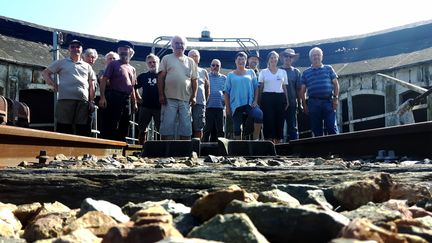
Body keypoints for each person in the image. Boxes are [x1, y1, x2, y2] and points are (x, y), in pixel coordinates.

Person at [42, 39, 96, 136]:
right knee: (63, 128)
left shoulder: (87, 66)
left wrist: (91, 101)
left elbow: (91, 85)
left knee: (82, 129)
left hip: (83, 102)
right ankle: (62, 150)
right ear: (69, 49)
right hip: (65, 100)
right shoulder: (61, 62)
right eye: (73, 47)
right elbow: (46, 73)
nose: (75, 49)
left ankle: (81, 150)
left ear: (81, 49)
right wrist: (54, 85)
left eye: (78, 47)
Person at [158, 35, 198, 140]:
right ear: (172, 45)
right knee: (167, 125)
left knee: (186, 126)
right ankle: (165, 149)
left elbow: (194, 80)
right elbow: (161, 77)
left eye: (182, 43)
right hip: (168, 98)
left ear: (185, 46)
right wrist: (161, 95)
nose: (179, 45)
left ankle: (184, 151)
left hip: (185, 99)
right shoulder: (166, 58)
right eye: (176, 43)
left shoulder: (191, 61)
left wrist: (194, 96)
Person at [98, 40, 138, 141]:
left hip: (127, 99)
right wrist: (102, 97)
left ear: (130, 52)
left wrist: (135, 102)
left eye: (125, 49)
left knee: (125, 123)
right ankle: (106, 146)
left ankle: (119, 147)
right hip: (114, 97)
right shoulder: (113, 64)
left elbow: (132, 87)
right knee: (111, 123)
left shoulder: (132, 69)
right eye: (120, 49)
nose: (122, 51)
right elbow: (104, 80)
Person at [300, 47, 340, 137]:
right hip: (313, 103)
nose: (316, 57)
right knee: (316, 129)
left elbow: (336, 84)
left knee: (331, 127)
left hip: (328, 101)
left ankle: (336, 149)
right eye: (314, 55)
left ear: (322, 57)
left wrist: (335, 98)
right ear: (310, 58)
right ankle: (321, 150)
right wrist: (304, 105)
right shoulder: (305, 73)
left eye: (318, 55)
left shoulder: (329, 68)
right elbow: (302, 91)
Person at [224, 51, 263, 140]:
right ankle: (239, 147)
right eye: (239, 59)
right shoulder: (230, 75)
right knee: (237, 128)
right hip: (236, 105)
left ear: (246, 61)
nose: (241, 61)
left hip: (249, 104)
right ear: (235, 61)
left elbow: (256, 87)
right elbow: (226, 92)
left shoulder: (251, 72)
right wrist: (227, 107)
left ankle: (255, 139)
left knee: (259, 114)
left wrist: (255, 101)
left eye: (243, 59)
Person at [259, 51, 289, 144]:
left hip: (279, 97)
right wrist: (259, 100)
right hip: (267, 97)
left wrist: (287, 100)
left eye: (275, 57)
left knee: (279, 120)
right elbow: (261, 87)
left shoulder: (283, 72)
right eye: (271, 57)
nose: (273, 59)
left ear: (278, 59)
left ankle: (278, 144)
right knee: (268, 120)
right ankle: (268, 144)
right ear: (268, 60)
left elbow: (284, 87)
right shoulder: (263, 72)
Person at [135, 53, 161, 144]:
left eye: (154, 62)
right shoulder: (142, 76)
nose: (152, 64)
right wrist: (138, 98)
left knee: (162, 129)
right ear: (147, 64)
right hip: (145, 106)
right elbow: (134, 87)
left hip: (160, 107)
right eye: (150, 62)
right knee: (142, 128)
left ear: (158, 63)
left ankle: (162, 148)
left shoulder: (162, 76)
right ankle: (141, 147)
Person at [279, 48, 301, 141]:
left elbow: (298, 89)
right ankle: (277, 149)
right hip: (278, 103)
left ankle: (296, 148)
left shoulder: (296, 72)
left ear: (293, 59)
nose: (288, 58)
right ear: (283, 57)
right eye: (286, 56)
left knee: (293, 127)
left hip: (292, 103)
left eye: (290, 56)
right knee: (278, 126)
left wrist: (300, 104)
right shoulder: (277, 70)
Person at [202, 59, 226, 142]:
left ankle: (220, 149)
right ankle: (203, 149)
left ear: (220, 67)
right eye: (213, 65)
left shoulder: (224, 78)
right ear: (210, 66)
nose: (215, 67)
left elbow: (226, 93)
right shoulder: (206, 77)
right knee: (207, 129)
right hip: (208, 107)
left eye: (217, 65)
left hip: (220, 108)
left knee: (220, 130)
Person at [188, 49, 209, 139]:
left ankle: (197, 149)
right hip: (185, 102)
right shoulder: (183, 69)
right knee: (185, 127)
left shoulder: (203, 71)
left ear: (199, 59)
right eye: (192, 55)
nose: (194, 57)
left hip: (200, 103)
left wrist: (204, 101)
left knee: (198, 127)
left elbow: (207, 88)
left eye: (196, 56)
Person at [82, 48, 99, 136]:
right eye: (88, 56)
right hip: (81, 101)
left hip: (89, 104)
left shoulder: (93, 72)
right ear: (83, 57)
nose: (90, 59)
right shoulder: (80, 69)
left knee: (87, 126)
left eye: (93, 57)